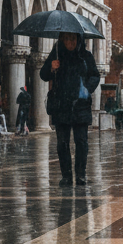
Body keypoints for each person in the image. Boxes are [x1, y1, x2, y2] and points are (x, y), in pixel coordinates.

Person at [41, 31, 100, 185]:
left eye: (73, 39)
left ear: (78, 39)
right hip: (61, 105)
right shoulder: (56, 54)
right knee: (62, 143)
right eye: (67, 39)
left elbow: (95, 75)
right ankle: (66, 176)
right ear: (62, 39)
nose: (70, 42)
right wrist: (51, 67)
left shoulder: (86, 56)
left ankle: (81, 175)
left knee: (81, 142)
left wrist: (86, 88)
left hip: (80, 105)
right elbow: (43, 74)